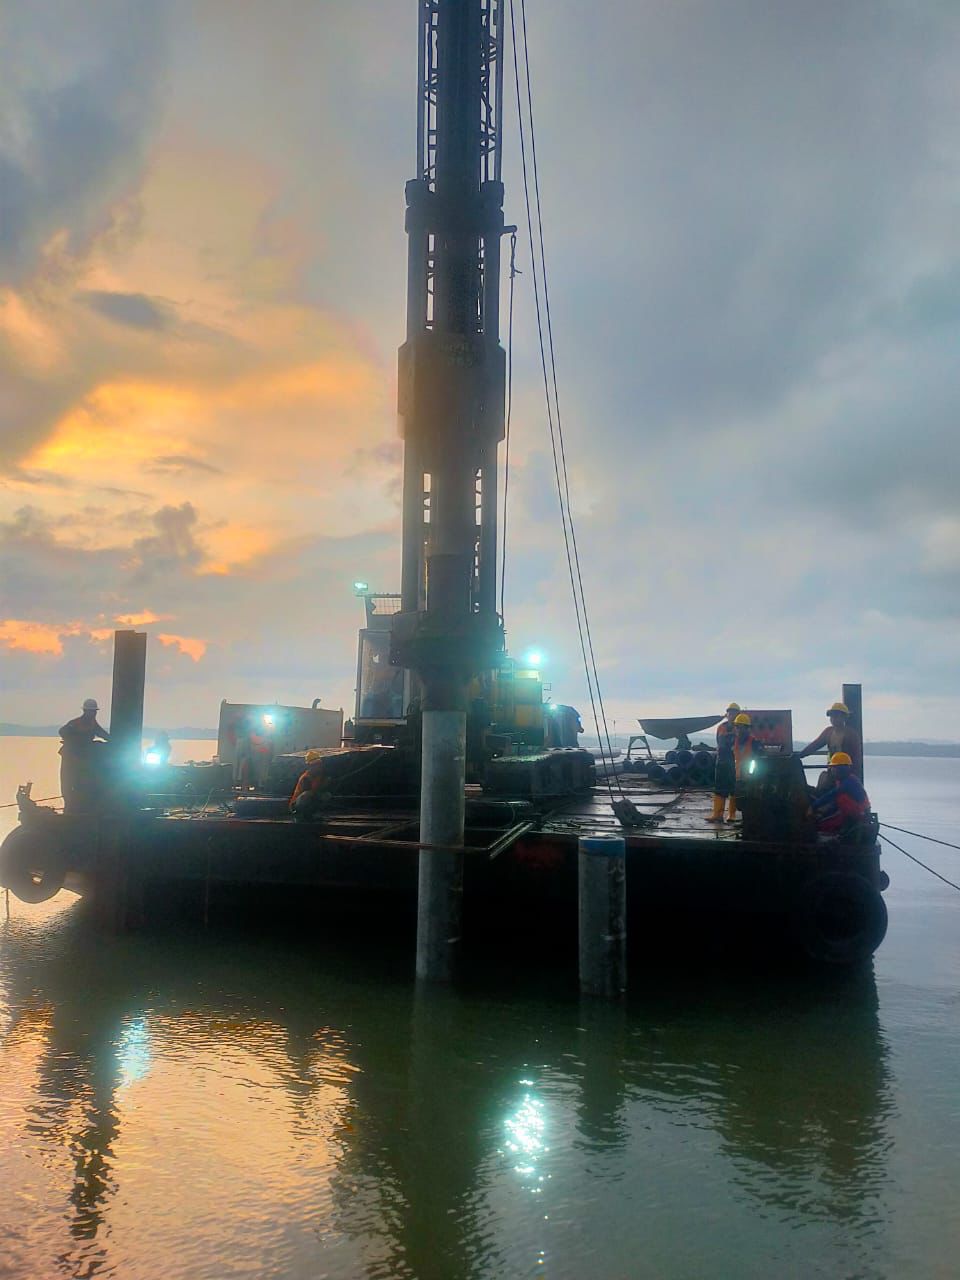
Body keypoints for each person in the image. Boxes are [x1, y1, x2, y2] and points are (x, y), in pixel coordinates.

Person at [59, 698, 110, 813]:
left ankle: (79, 806)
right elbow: (62, 731)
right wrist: (74, 741)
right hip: (70, 758)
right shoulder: (75, 723)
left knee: (81, 782)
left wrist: (114, 741)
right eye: (91, 711)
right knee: (68, 782)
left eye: (94, 711)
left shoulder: (92, 724)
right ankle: (69, 807)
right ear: (85, 712)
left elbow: (102, 733)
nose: (93, 714)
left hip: (82, 759)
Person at [798, 702, 862, 780]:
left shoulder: (851, 735)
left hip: (846, 772)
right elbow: (815, 745)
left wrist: (853, 775)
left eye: (836, 716)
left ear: (844, 717)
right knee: (823, 779)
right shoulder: (828, 732)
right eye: (832, 716)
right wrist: (799, 755)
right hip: (832, 770)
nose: (833, 719)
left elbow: (856, 758)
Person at [812, 752, 871, 836]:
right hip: (851, 814)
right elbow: (835, 803)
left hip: (858, 816)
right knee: (822, 825)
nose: (831, 771)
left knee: (821, 826)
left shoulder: (849, 782)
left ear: (841, 769)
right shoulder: (842, 781)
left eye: (833, 768)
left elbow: (831, 795)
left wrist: (813, 806)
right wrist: (823, 813)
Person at [706, 702, 740, 823]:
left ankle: (731, 814)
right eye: (730, 713)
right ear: (727, 714)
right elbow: (719, 742)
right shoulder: (721, 727)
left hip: (735, 762)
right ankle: (717, 814)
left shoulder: (740, 728)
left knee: (734, 789)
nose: (731, 715)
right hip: (721, 761)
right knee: (719, 788)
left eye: (734, 713)